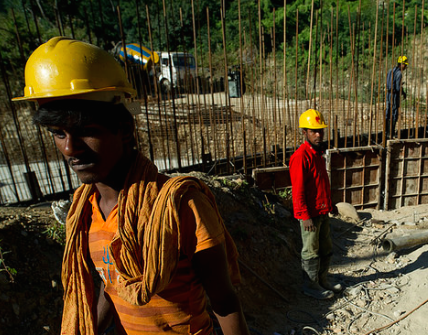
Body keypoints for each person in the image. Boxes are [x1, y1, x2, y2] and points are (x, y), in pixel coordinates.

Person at [13, 37, 249, 334]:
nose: (70, 148)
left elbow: (225, 301)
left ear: (124, 129)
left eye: (86, 131)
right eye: (58, 133)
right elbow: (113, 285)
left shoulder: (180, 206)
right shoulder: (85, 212)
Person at [289, 109, 344, 300]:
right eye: (314, 131)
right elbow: (298, 190)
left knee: (325, 247)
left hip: (322, 211)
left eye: (321, 130)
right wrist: (304, 216)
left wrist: (330, 205)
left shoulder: (317, 154)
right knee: (310, 250)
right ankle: (311, 286)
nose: (319, 134)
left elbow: (321, 184)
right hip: (310, 215)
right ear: (304, 132)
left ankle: (322, 280)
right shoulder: (300, 156)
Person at [386, 56, 408, 138]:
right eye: (405, 65)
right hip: (394, 95)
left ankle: (387, 132)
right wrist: (403, 93)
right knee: (394, 113)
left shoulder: (390, 71)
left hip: (388, 94)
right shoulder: (399, 74)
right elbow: (398, 88)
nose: (405, 67)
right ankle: (391, 133)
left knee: (388, 112)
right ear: (401, 64)